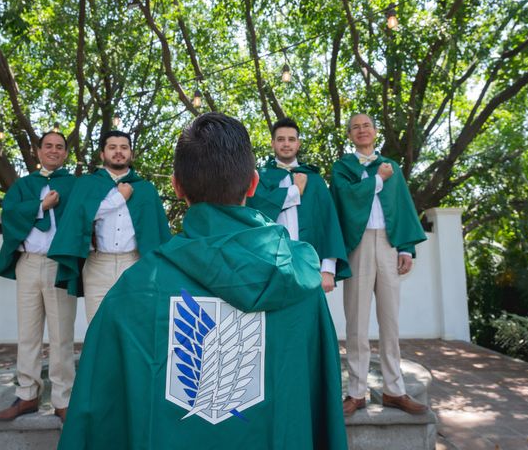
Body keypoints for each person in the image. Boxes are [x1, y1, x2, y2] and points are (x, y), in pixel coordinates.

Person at [58, 112, 348, 449]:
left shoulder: (131, 291)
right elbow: (321, 413)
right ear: (253, 184)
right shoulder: (302, 288)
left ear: (177, 186)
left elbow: (96, 422)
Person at [330, 113, 428, 417]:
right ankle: (357, 393)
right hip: (358, 245)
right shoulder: (343, 167)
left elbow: (402, 206)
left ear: (375, 132)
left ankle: (394, 390)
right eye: (356, 127)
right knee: (356, 323)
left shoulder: (392, 167)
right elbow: (345, 200)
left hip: (387, 243)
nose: (362, 130)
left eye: (367, 125)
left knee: (390, 321)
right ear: (349, 135)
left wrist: (407, 248)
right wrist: (376, 179)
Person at [0, 131, 77, 423]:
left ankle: (63, 399)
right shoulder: (23, 185)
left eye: (59, 147)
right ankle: (27, 395)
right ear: (38, 151)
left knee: (61, 336)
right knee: (27, 335)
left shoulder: (74, 185)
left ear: (66, 154)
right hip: (27, 264)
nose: (54, 151)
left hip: (57, 264)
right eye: (48, 146)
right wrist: (41, 206)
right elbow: (9, 215)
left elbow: (85, 217)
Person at [47, 130, 171, 323]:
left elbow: (157, 232)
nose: (118, 152)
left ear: (131, 153)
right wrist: (119, 198)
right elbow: (80, 217)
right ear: (102, 154)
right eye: (112, 147)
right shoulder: (87, 184)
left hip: (133, 263)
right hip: (98, 265)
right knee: (98, 327)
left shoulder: (146, 189)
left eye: (124, 147)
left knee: (133, 327)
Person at [247, 117, 350, 292]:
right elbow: (258, 207)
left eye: (291, 139)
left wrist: (328, 269)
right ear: (272, 143)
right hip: (271, 259)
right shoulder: (261, 177)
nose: (286, 144)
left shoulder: (315, 179)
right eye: (281, 139)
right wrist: (295, 191)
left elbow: (328, 222)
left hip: (308, 261)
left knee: (308, 315)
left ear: (298, 144)